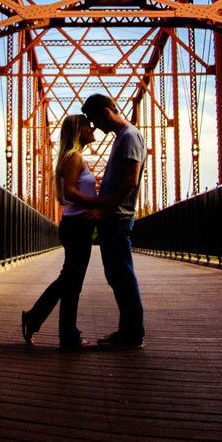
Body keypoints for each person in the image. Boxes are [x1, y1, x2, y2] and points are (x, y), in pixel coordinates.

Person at [20, 114, 98, 350]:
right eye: (88, 125)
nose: (92, 127)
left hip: (75, 225)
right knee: (70, 281)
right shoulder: (73, 158)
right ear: (78, 131)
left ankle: (66, 335)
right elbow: (70, 193)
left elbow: (67, 194)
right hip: (77, 226)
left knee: (71, 282)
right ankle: (39, 320)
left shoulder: (73, 157)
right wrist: (97, 204)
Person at [80, 93, 146, 349]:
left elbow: (131, 180)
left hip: (117, 218)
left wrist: (105, 211)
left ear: (106, 112)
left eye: (96, 121)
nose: (96, 127)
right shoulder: (124, 137)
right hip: (115, 217)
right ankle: (127, 332)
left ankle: (132, 335)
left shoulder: (129, 136)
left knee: (123, 276)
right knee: (117, 276)